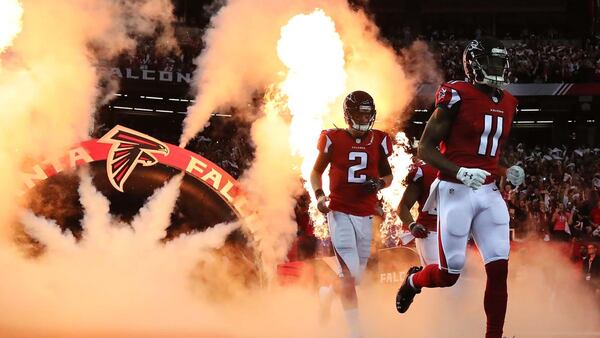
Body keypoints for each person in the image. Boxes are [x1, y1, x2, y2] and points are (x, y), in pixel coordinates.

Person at [395, 37, 524, 338]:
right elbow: (425, 149)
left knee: (498, 268)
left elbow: (488, 153)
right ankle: (414, 282)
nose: (496, 69)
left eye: (499, 63)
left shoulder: (508, 102)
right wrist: (460, 172)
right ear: (473, 65)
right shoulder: (456, 94)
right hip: (455, 190)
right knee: (449, 273)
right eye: (489, 63)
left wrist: (509, 171)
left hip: (489, 192)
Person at [311, 90, 393, 338]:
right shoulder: (333, 138)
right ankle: (355, 332)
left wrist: (379, 184)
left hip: (365, 213)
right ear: (348, 115)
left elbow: (388, 176)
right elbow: (315, 173)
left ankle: (327, 292)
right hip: (340, 212)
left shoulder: (378, 139)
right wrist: (320, 196)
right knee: (349, 275)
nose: (363, 119)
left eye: (366, 114)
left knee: (354, 277)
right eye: (358, 113)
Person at [397, 160, 439, 265]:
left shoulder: (468, 170)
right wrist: (412, 225)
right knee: (439, 275)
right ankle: (412, 281)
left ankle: (414, 281)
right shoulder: (424, 172)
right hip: (431, 233)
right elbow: (403, 206)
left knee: (468, 277)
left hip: (461, 233)